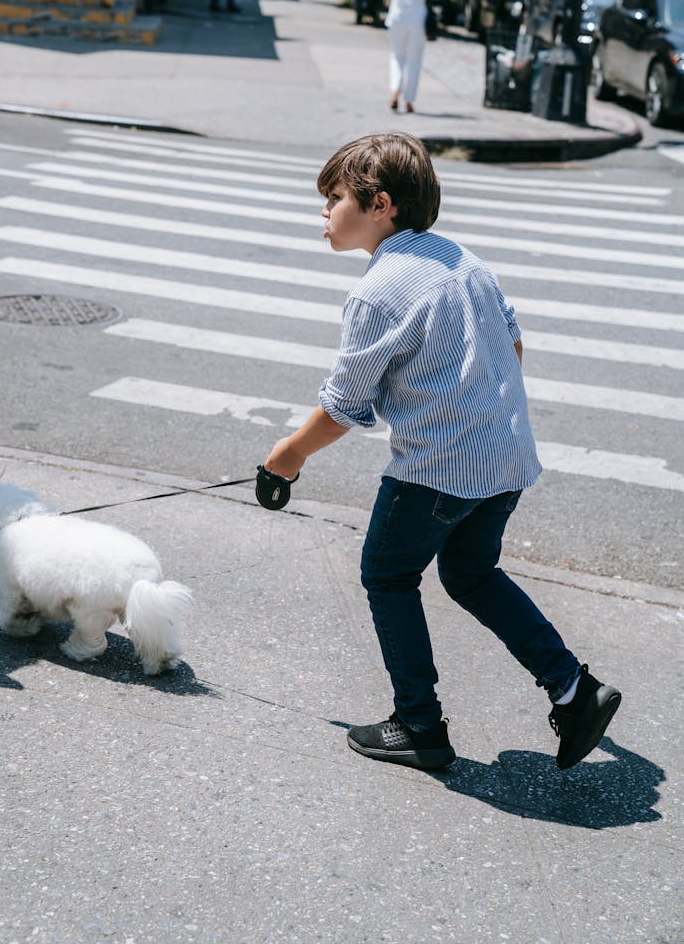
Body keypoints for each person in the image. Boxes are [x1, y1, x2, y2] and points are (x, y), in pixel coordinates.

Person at [262, 132, 621, 773]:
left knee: (388, 574)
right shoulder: (464, 261)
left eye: (334, 198)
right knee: (471, 573)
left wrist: (286, 456)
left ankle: (419, 725)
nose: (323, 211)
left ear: (381, 205)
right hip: (504, 456)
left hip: (438, 472)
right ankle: (575, 690)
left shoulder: (378, 290)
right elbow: (512, 345)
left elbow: (345, 405)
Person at [383, 0, 431, 113]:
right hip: (417, 19)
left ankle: (395, 90)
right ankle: (409, 99)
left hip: (397, 17)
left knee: (397, 56)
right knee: (414, 60)